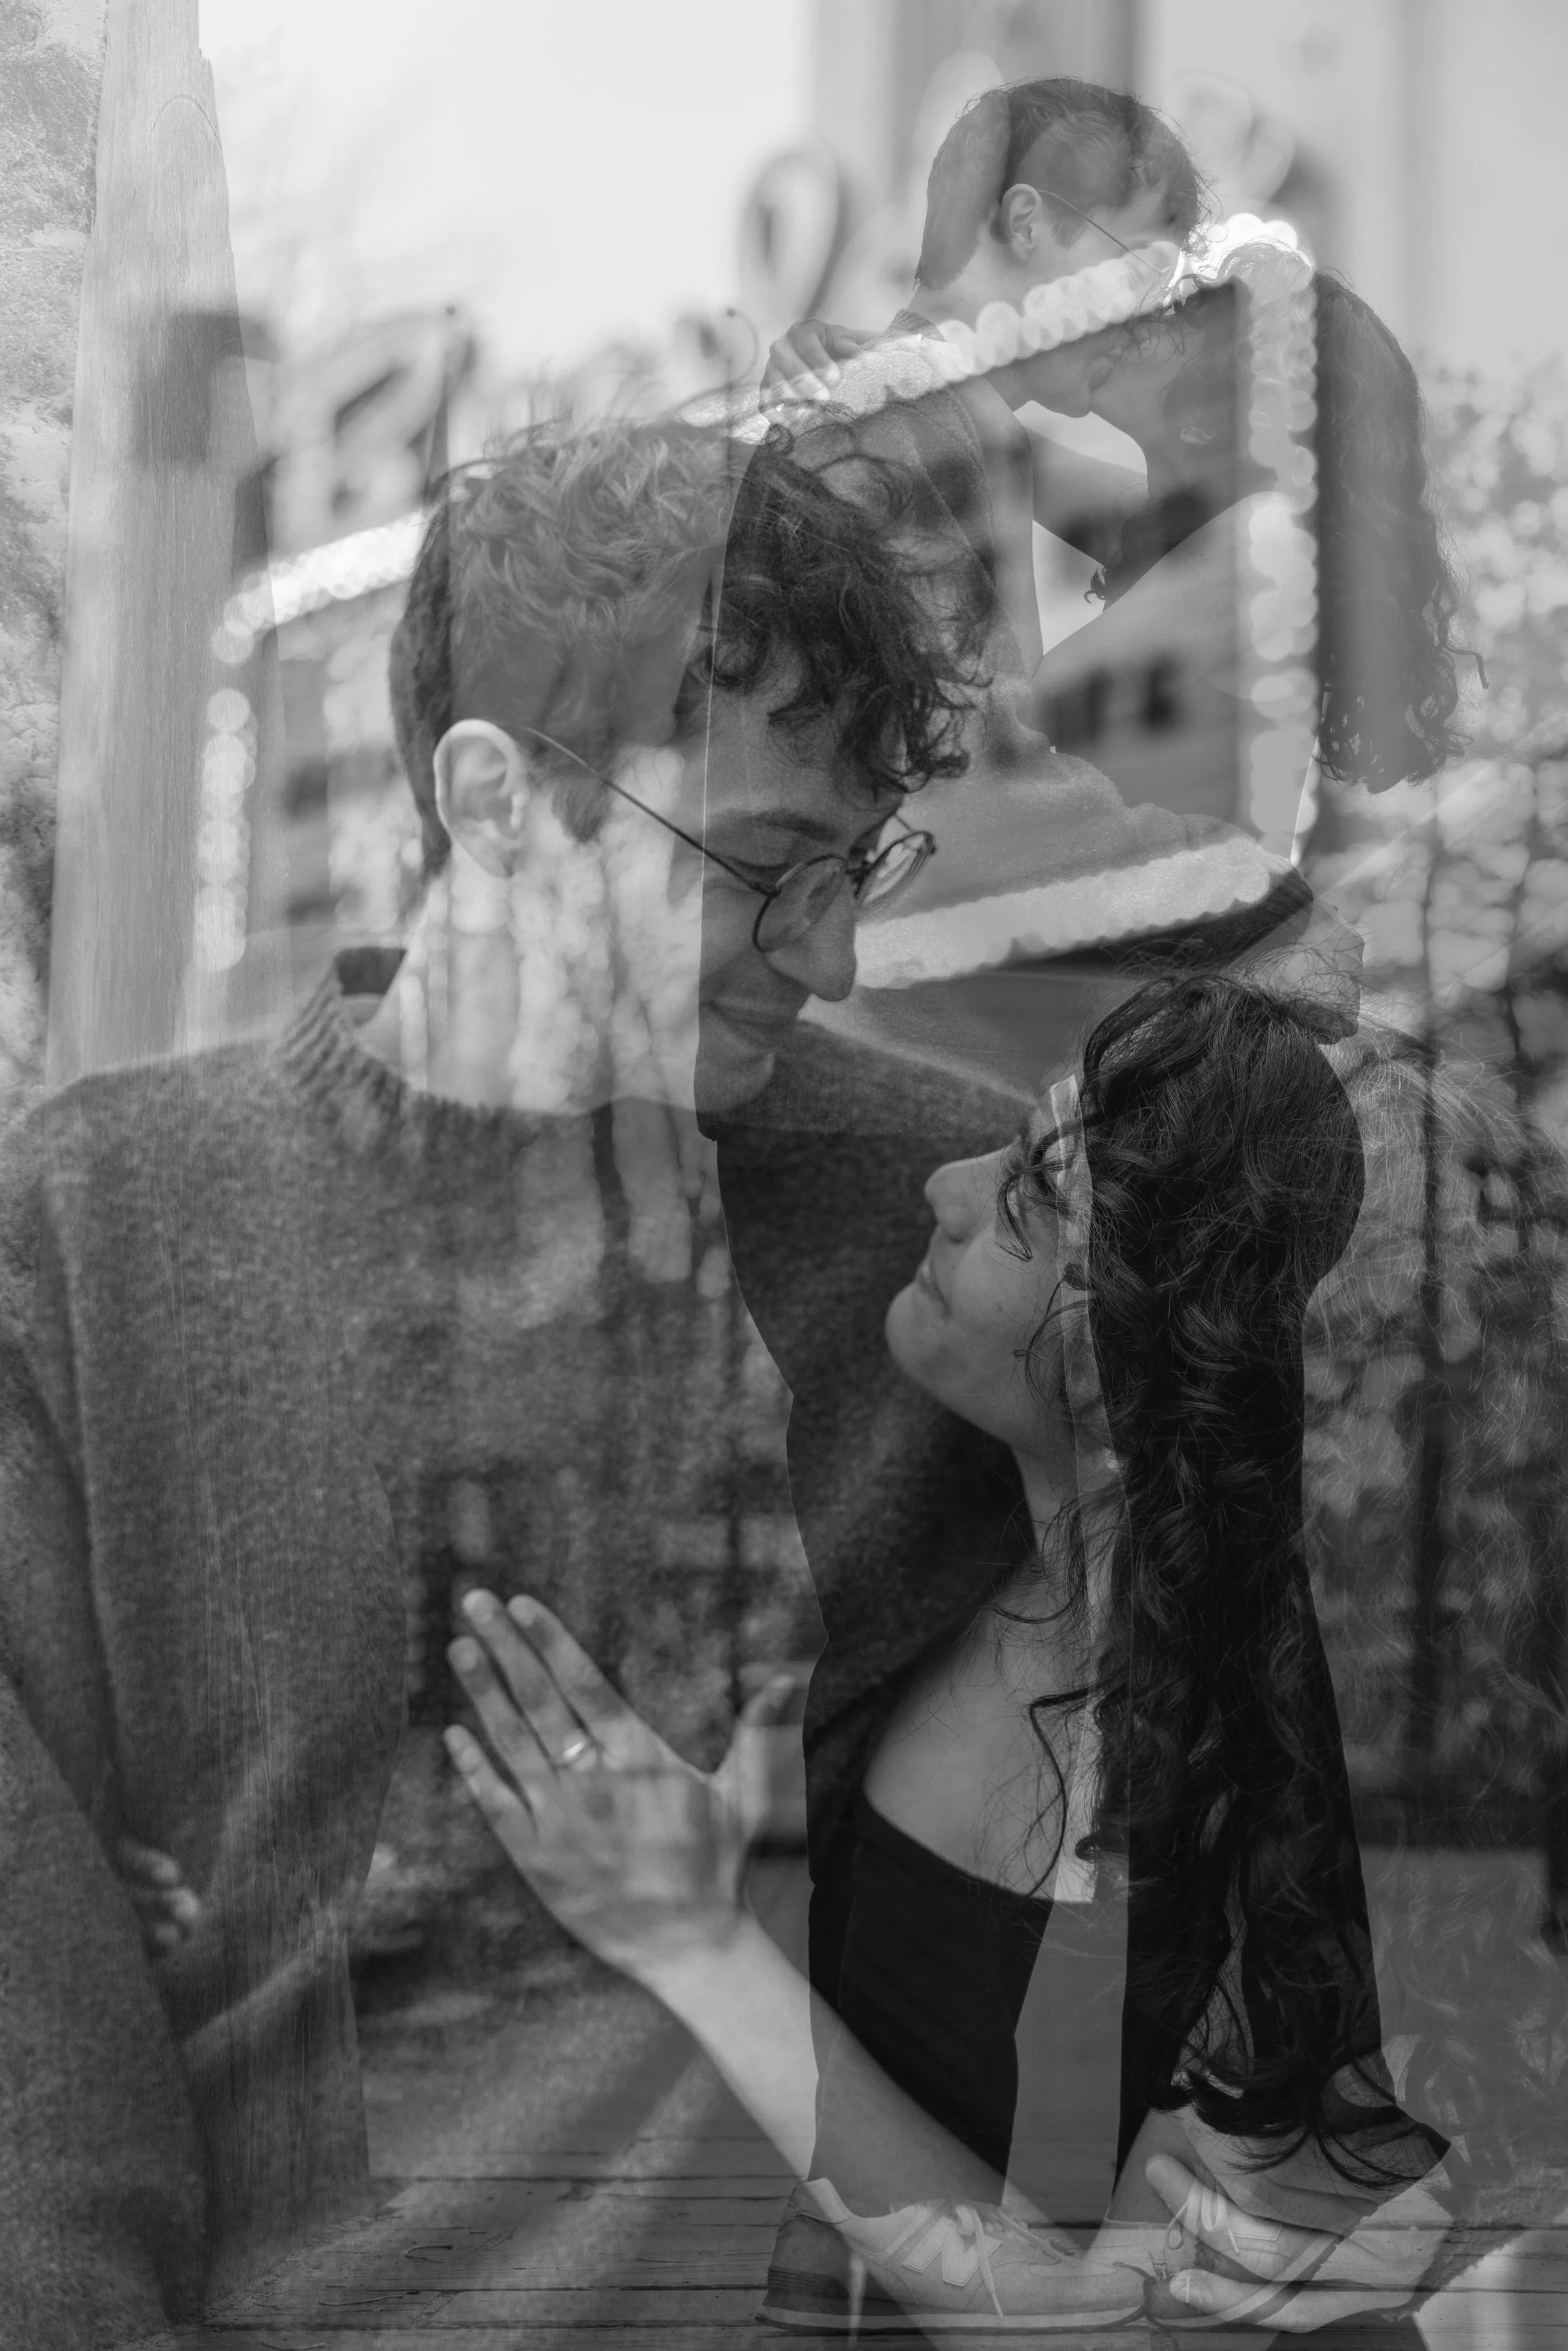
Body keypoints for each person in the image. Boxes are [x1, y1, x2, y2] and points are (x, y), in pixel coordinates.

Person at [0, 405, 1012, 2342]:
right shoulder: (87, 1235)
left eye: (861, 862)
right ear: (491, 803)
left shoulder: (959, 1235)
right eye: (764, 865)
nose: (839, 952)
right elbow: (34, 2088)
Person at [443, 971, 1463, 2335]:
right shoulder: (968, 1552)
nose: (944, 1183)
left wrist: (691, 1937)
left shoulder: (1229, 1766)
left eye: (1026, 1206)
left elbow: (1101, 2322)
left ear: (1129, 1356)